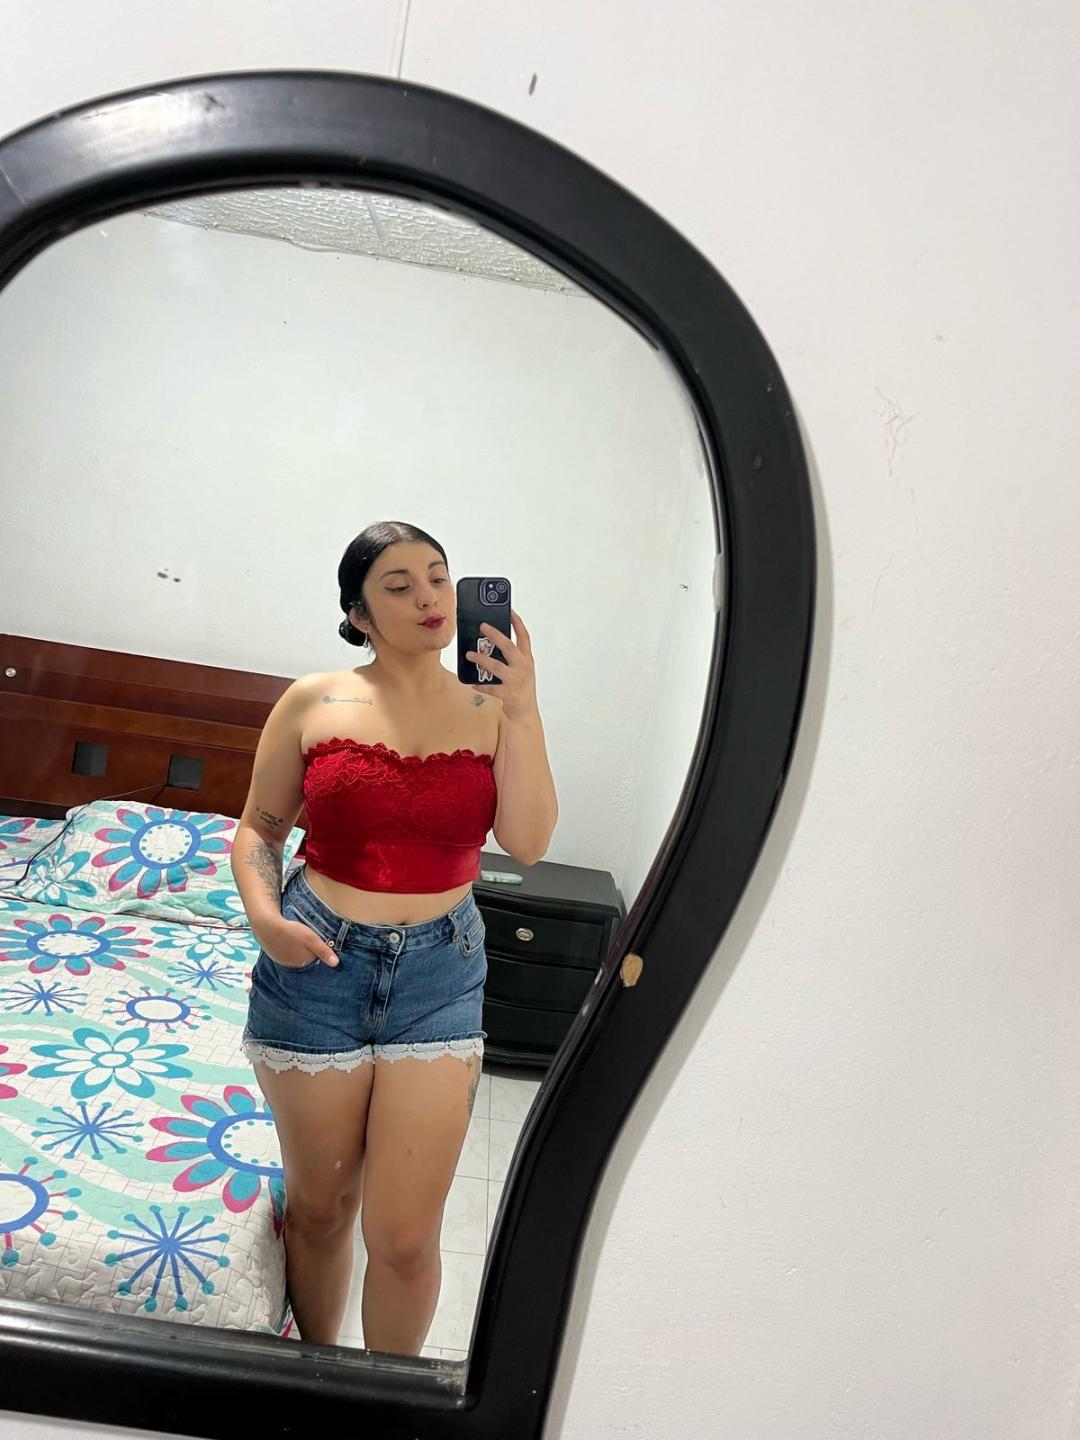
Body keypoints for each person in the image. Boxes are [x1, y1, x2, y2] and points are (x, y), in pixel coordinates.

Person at [232, 520, 558, 1354]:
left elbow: (527, 842)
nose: (428, 598)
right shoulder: (312, 700)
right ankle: (320, 1376)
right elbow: (261, 828)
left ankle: (387, 1399)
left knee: (407, 1238)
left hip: (439, 977)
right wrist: (267, 921)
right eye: (399, 585)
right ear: (359, 613)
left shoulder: (492, 710)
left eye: (439, 578)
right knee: (320, 1210)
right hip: (315, 965)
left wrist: (524, 711)